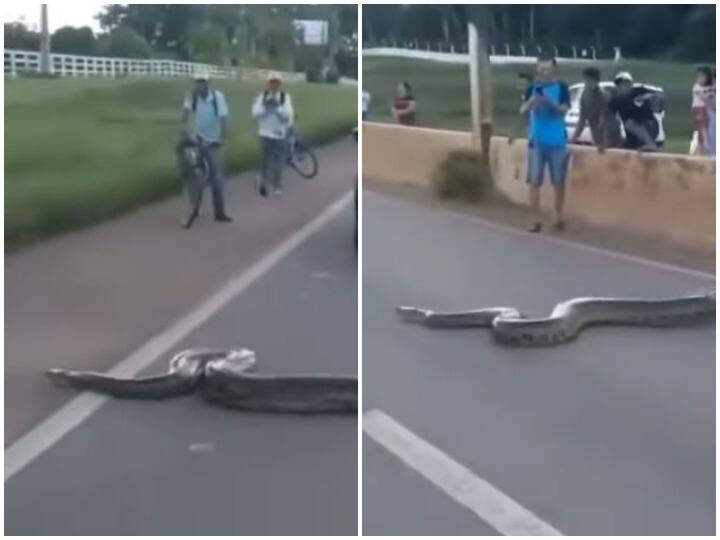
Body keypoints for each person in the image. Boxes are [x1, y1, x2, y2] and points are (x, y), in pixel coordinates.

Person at [520, 55, 571, 233]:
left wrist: (547, 102)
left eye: (546, 69)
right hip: (536, 142)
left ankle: (558, 216)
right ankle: (535, 219)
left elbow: (563, 111)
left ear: (553, 70)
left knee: (559, 181)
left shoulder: (562, 88)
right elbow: (522, 111)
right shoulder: (532, 89)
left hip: (557, 142)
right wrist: (531, 104)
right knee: (534, 181)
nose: (543, 72)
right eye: (540, 69)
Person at [178, 70, 232, 222]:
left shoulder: (217, 97)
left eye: (203, 82)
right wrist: (185, 126)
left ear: (208, 83)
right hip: (196, 139)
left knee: (217, 178)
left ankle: (219, 212)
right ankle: (193, 207)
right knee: (190, 173)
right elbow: (185, 115)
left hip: (212, 139)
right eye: (198, 82)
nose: (200, 85)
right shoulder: (192, 96)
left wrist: (222, 137)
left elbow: (223, 118)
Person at [251, 71, 294, 198]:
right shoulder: (262, 97)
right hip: (264, 133)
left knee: (278, 161)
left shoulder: (285, 97)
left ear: (280, 84)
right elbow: (254, 113)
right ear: (268, 84)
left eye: (276, 82)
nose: (274, 85)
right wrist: (265, 108)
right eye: (272, 82)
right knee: (265, 161)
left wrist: (277, 108)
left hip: (279, 134)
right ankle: (265, 182)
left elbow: (288, 115)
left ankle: (277, 184)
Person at [571, 67, 621, 152]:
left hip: (610, 137)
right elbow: (582, 120)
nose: (587, 83)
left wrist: (605, 143)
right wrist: (573, 138)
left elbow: (608, 121)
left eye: (590, 80)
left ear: (596, 81)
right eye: (586, 80)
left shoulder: (604, 97)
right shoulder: (584, 95)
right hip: (596, 135)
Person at [608, 71, 659, 151]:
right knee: (618, 123)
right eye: (619, 84)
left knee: (629, 123)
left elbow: (657, 95)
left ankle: (651, 144)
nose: (622, 86)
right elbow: (611, 119)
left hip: (649, 125)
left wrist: (644, 99)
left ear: (630, 85)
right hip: (633, 131)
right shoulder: (615, 100)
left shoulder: (638, 92)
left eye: (625, 84)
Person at [691, 66, 715, 156]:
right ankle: (703, 148)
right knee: (702, 130)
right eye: (698, 76)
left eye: (702, 76)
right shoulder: (697, 87)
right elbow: (706, 98)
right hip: (699, 109)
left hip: (706, 111)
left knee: (704, 130)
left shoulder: (711, 88)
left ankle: (704, 148)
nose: (699, 79)